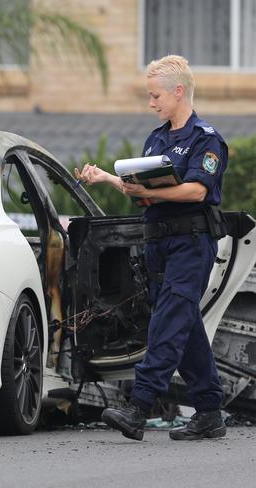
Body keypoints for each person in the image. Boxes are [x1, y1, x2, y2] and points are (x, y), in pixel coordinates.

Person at [75, 54, 227, 441]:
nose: (151, 103)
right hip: (158, 243)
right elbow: (143, 194)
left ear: (179, 92)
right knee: (185, 324)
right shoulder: (157, 138)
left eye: (156, 95)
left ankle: (139, 407)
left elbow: (196, 190)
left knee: (167, 324)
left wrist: (147, 192)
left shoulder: (206, 140)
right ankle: (209, 411)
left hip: (191, 244)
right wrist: (109, 179)